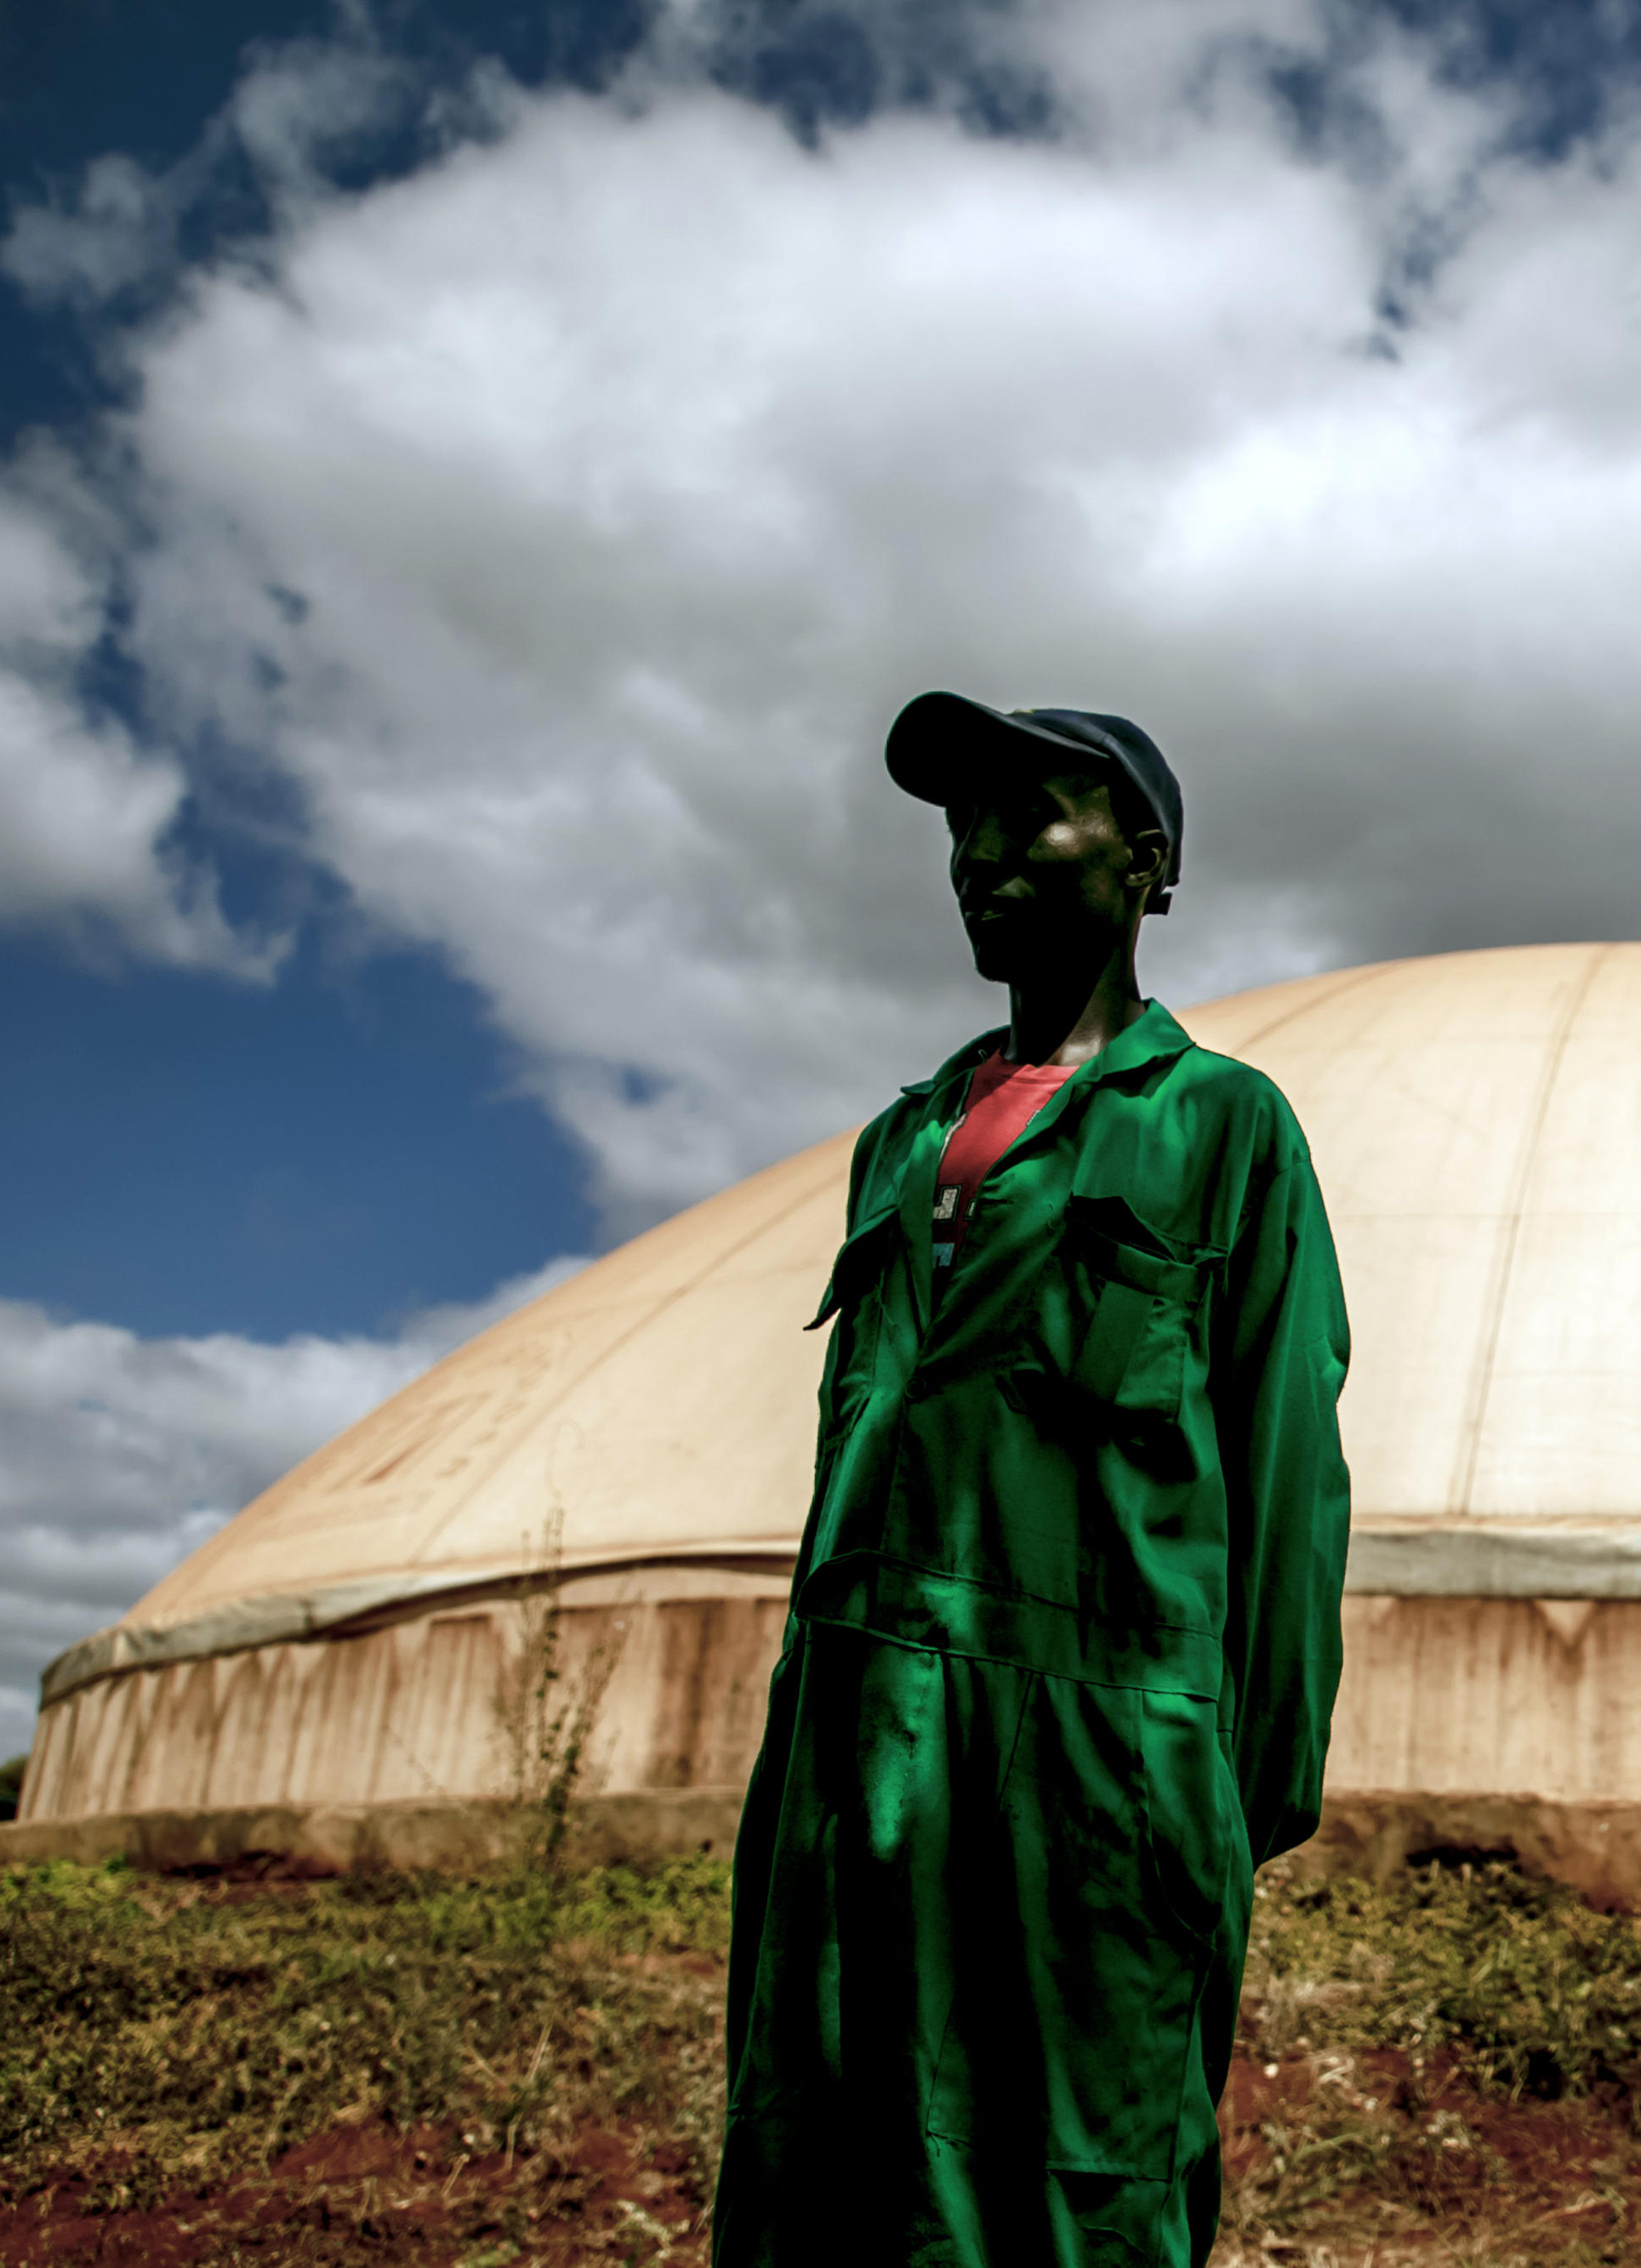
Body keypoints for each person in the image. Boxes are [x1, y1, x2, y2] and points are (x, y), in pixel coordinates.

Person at [714, 693, 1353, 2267]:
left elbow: (1285, 1469)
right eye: (960, 826)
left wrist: (1223, 1789)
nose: (981, 856)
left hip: (1101, 1746)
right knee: (825, 2149)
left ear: (1147, 864)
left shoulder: (1220, 1127)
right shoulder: (898, 1138)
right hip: (852, 1735)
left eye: (1030, 816)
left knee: (1078, 2175)